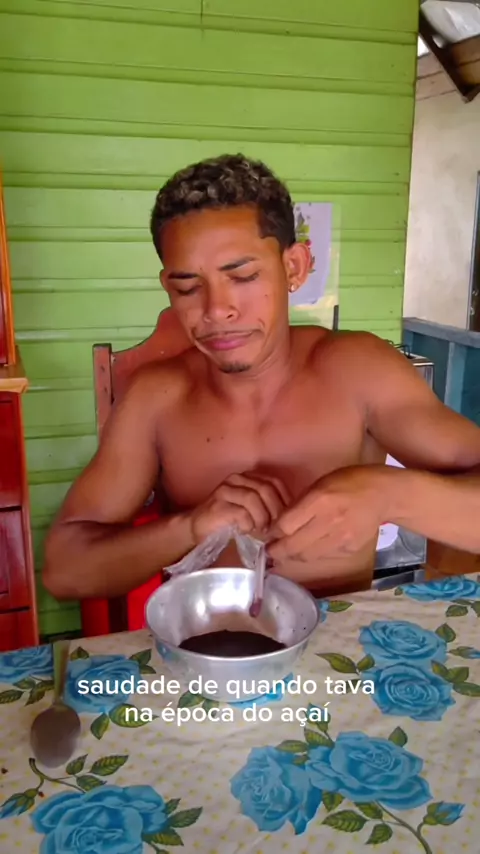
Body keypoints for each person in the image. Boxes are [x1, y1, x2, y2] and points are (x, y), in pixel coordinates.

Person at [43, 153, 480, 602]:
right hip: (206, 637)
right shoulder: (157, 397)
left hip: (331, 639)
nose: (217, 311)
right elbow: (64, 571)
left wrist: (390, 495)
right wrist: (189, 527)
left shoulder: (359, 371)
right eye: (188, 288)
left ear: (294, 267)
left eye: (244, 276)